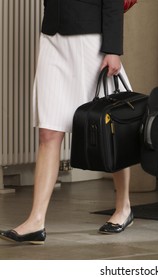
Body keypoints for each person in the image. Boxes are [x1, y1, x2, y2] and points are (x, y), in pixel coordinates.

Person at [0, 0, 133, 245]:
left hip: (91, 40)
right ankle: (36, 220)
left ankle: (123, 207)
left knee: (111, 127)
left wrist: (113, 48)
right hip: (53, 36)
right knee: (48, 130)